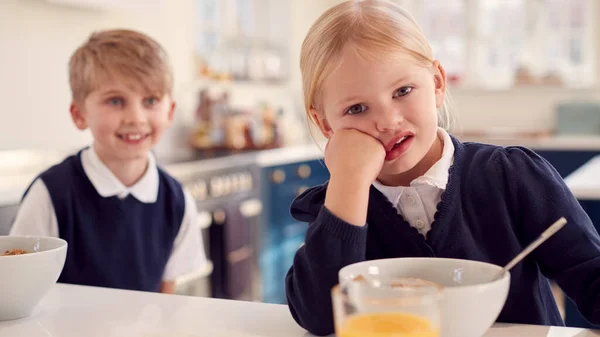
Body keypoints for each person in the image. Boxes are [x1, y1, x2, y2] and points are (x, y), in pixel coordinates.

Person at [284, 1, 600, 335]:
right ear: (325, 123)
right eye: (356, 108)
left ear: (436, 83)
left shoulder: (511, 176)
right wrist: (348, 182)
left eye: (403, 91)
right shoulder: (339, 207)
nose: (388, 121)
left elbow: (592, 277)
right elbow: (319, 317)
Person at [10, 29, 207, 294]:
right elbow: (21, 287)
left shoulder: (177, 200)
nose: (136, 118)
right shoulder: (50, 195)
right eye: (116, 101)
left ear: (170, 111)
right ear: (79, 115)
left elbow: (166, 296)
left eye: (150, 100)